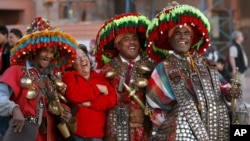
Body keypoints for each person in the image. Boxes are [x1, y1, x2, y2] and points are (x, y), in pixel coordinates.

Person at [145, 1, 241, 140]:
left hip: (216, 128)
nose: (183, 37)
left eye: (186, 33)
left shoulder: (206, 64)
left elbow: (224, 88)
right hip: (182, 132)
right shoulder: (162, 69)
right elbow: (155, 108)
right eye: (177, 33)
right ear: (170, 39)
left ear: (191, 38)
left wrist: (231, 92)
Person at [0, 17, 78, 141]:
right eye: (45, 50)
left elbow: (55, 106)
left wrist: (64, 113)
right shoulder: (16, 71)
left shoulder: (50, 78)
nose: (49, 55)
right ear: (34, 51)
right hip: (24, 135)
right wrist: (14, 109)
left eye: (52, 52)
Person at [95, 13, 155, 141]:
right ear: (117, 44)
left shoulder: (151, 66)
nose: (132, 42)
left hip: (146, 128)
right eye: (126, 39)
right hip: (116, 128)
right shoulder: (108, 69)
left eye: (134, 38)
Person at [62, 44, 116, 141]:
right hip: (76, 134)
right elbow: (73, 95)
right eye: (77, 58)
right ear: (72, 63)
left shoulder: (100, 77)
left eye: (83, 55)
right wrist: (98, 89)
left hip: (97, 134)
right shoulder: (69, 76)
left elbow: (111, 100)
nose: (82, 59)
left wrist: (90, 103)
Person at [0, 25, 11, 140]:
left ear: (4, 35)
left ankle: (5, 134)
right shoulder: (2, 48)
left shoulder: (9, 49)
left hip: (5, 83)